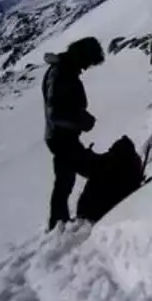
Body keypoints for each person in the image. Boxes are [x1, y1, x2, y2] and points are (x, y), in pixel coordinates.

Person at [42, 36, 105, 231]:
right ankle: (75, 219)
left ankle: (59, 224)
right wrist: (82, 120)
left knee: (65, 180)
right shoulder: (61, 74)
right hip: (61, 138)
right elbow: (55, 113)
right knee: (78, 175)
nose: (86, 68)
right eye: (87, 62)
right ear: (80, 56)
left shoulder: (64, 71)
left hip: (62, 137)